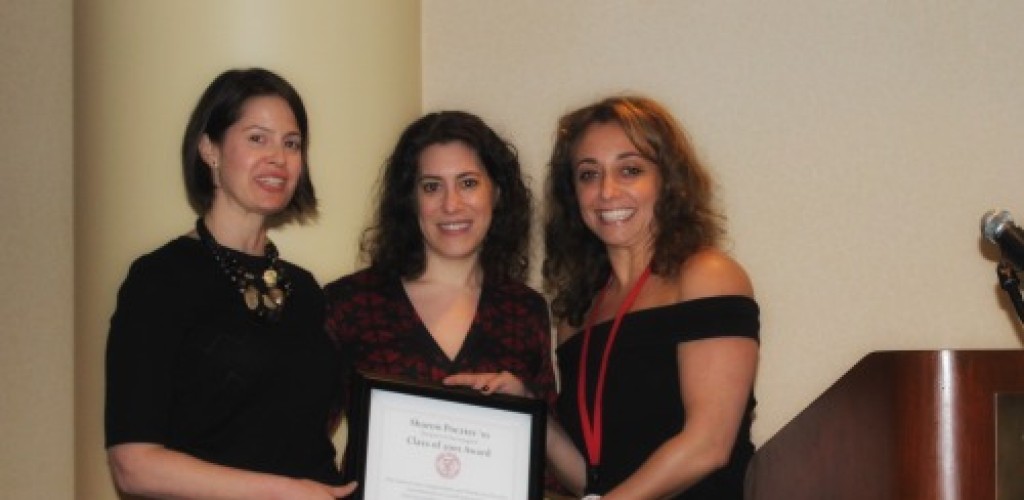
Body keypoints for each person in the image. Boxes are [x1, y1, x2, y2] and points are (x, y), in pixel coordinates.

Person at [104, 68, 356, 499]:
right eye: (257, 138)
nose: (278, 157)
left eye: (291, 143)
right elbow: (133, 465)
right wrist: (283, 493)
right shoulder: (159, 281)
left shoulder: (307, 291)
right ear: (209, 148)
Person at [540, 95, 760, 499]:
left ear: (667, 181)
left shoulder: (707, 276)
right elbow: (593, 479)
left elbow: (707, 446)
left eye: (630, 170)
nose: (607, 191)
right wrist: (532, 412)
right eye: (588, 175)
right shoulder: (577, 312)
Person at [323, 110, 557, 463]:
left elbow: (545, 457)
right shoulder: (350, 303)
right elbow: (305, 437)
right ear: (411, 199)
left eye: (468, 183)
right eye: (432, 186)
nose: (451, 204)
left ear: (496, 192)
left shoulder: (525, 311)